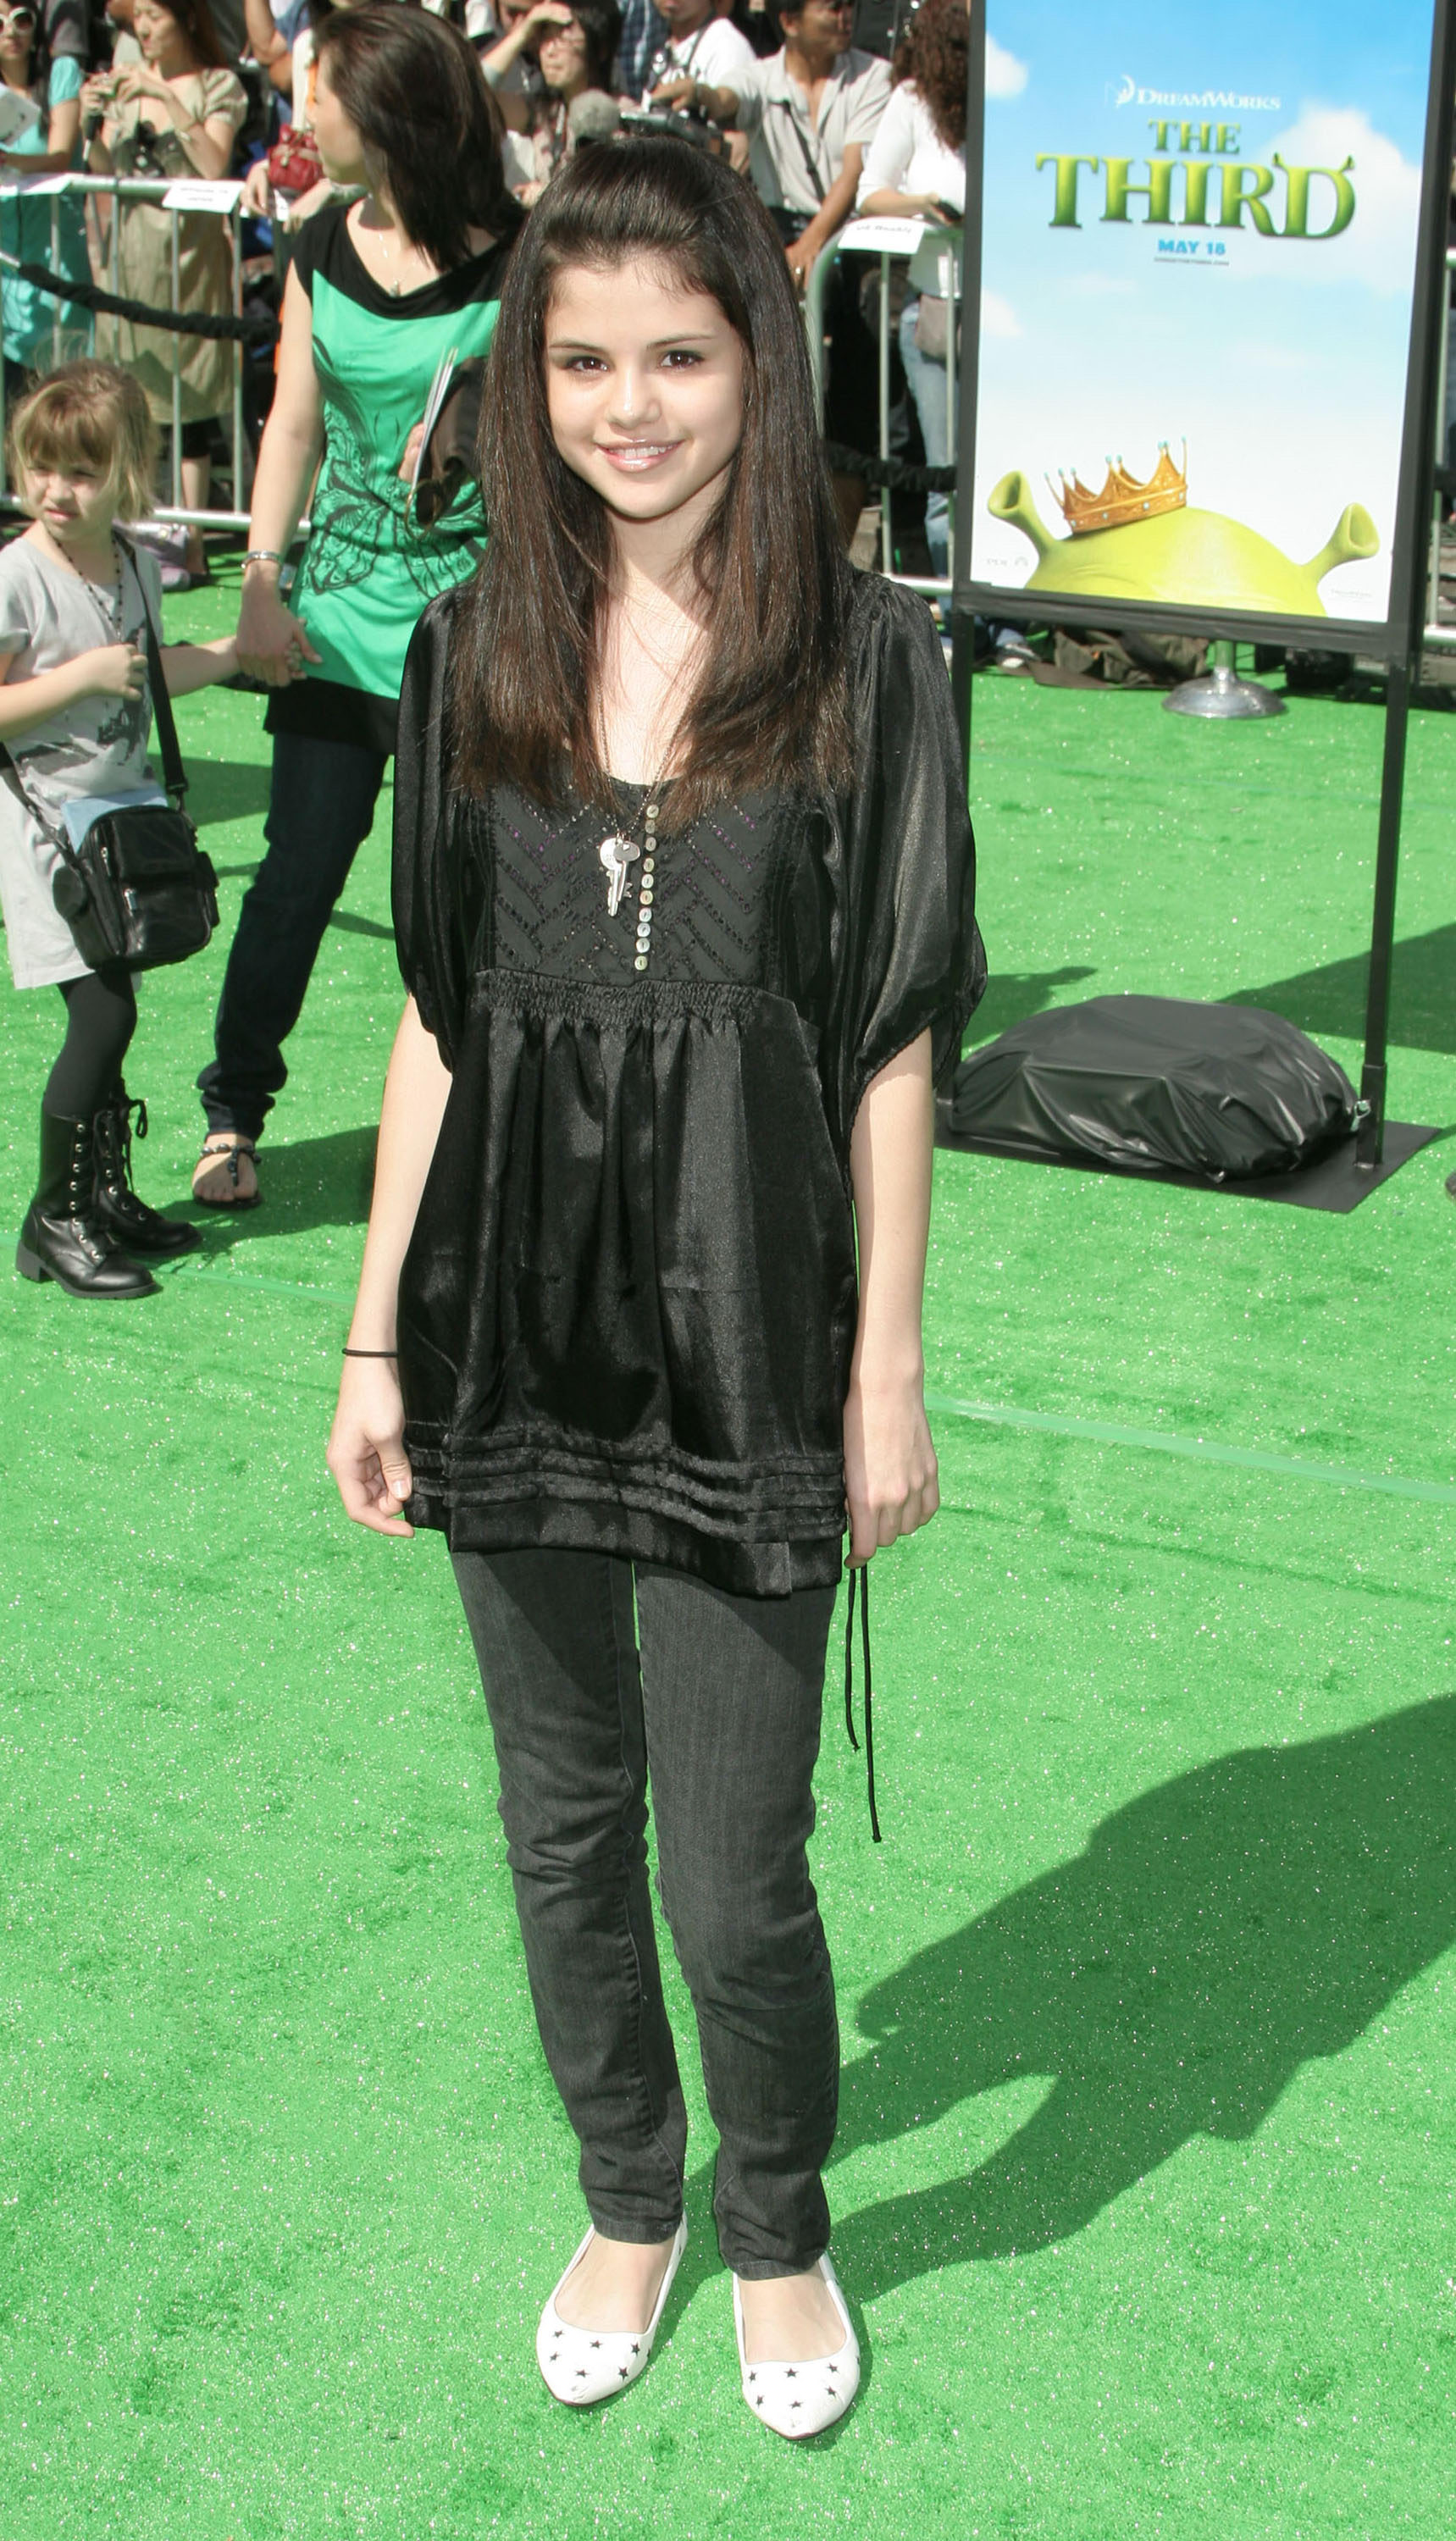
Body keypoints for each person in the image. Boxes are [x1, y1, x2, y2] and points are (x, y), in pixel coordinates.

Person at [326, 137, 983, 2435]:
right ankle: (630, 2190)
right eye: (582, 359)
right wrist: (374, 1335)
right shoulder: (464, 649)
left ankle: (773, 2222)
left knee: (731, 1869)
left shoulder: (870, 663)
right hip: (505, 1315)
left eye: (678, 357)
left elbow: (885, 1034)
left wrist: (881, 1369)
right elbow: (439, 1017)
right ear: (528, 377)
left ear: (757, 366)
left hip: (744, 1330)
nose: (628, 407)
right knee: (555, 1819)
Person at [192, 0, 520, 1205]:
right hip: (330, 618)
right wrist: (260, 584)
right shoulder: (322, 241)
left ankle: (482, 1128)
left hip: (473, 630)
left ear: (381, 113)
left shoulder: (523, 256)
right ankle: (233, 1112)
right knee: (295, 879)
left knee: (465, 897)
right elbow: (292, 424)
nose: (303, 118)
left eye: (316, 95)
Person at [0, 363, 237, 1297]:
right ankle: (57, 1217)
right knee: (104, 1014)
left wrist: (237, 655)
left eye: (82, 471)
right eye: (41, 467)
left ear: (128, 472)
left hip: (117, 835)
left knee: (116, 1007)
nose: (56, 490)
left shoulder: (135, 562)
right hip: (45, 834)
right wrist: (78, 680)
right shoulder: (17, 576)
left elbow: (148, 674)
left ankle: (93, 1197)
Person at [658, 0, 888, 539]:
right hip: (777, 238)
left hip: (847, 245)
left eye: (850, 7)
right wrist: (701, 94)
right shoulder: (761, 74)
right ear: (788, 21)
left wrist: (811, 245)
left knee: (848, 408)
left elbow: (854, 174)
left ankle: (834, 549)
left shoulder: (874, 74)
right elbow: (730, 98)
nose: (845, 18)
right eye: (831, 8)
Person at [81, 0, 248, 585]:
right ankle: (132, 533)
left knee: (189, 406)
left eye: (155, 14)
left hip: (190, 261)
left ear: (186, 18)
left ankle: (193, 541)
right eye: (139, 17)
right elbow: (102, 165)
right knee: (132, 398)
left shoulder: (218, 85)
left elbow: (213, 161)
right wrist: (90, 121)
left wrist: (169, 99)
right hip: (130, 261)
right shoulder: (125, 82)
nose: (145, 28)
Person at [856, 0, 964, 584]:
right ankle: (955, 609)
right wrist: (925, 205)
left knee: (996, 470)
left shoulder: (1012, 99)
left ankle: (1003, 619)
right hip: (934, 308)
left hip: (1010, 313)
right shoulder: (913, 101)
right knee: (947, 477)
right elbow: (870, 191)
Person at [0, 0, 91, 397]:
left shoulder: (61, 72)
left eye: (20, 20)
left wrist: (9, 161)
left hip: (57, 257)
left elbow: (60, 153)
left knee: (62, 398)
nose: (10, 31)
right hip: (6, 266)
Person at [511, 0, 617, 197]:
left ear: (599, 47)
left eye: (563, 38)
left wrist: (547, 196)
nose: (550, 51)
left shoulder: (621, 117)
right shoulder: (545, 111)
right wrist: (523, 32)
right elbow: (473, 97)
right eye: (545, 38)